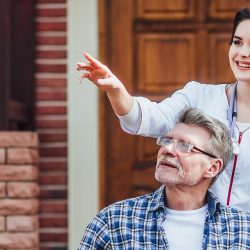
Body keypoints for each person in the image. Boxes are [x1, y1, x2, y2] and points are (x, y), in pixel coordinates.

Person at [77, 5, 250, 212]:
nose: (243, 53)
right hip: (201, 231)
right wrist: (115, 90)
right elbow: (147, 118)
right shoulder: (198, 95)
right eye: (237, 42)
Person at [78, 108, 250, 249]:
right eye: (167, 140)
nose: (167, 149)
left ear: (213, 168)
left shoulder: (242, 230)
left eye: (185, 145)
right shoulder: (114, 221)